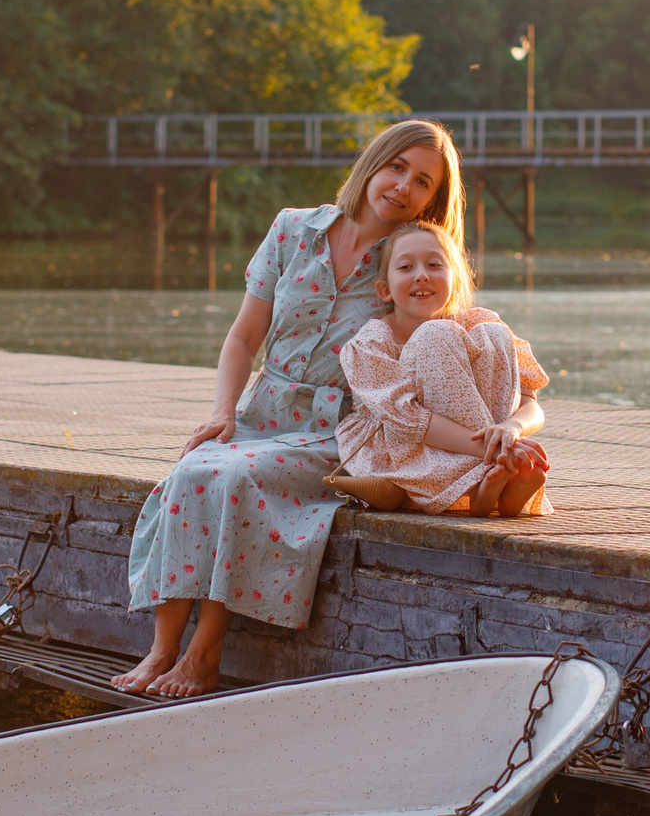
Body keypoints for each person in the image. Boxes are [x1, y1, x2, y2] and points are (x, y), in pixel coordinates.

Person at [113, 120, 465, 698]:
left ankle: (204, 654)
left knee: (234, 475)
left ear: (433, 200)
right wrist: (224, 413)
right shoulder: (292, 230)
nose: (403, 186)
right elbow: (242, 339)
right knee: (195, 467)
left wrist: (498, 423)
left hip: (338, 431)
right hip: (260, 412)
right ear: (374, 163)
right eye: (397, 166)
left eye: (423, 181)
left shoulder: (408, 262)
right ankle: (160, 651)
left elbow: (448, 343)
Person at [329, 221, 550, 517]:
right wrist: (493, 451)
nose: (421, 275)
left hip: (482, 445)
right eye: (406, 268)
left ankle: (502, 485)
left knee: (492, 332)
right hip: (404, 442)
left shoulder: (477, 326)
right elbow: (408, 421)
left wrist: (512, 429)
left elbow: (529, 402)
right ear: (384, 290)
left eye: (434, 265)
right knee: (435, 335)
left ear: (454, 280)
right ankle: (482, 485)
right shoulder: (371, 343)